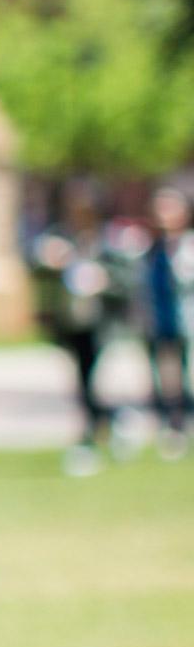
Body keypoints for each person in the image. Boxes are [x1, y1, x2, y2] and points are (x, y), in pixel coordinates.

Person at [27, 188, 122, 475]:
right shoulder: (62, 239)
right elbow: (38, 266)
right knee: (83, 378)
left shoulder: (105, 243)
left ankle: (101, 424)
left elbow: (124, 281)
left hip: (98, 321)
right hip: (71, 322)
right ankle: (104, 423)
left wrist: (102, 280)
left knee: (90, 377)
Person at [139, 186, 193, 457]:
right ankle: (168, 425)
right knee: (160, 376)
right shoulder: (149, 248)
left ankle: (182, 423)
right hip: (158, 320)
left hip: (186, 322)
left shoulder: (188, 246)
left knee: (185, 374)